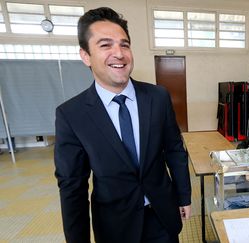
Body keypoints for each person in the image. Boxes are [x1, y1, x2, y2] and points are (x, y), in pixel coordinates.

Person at [54, 7, 191, 243]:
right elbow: (72, 188)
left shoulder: (157, 97)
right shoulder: (71, 114)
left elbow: (175, 150)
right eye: (105, 45)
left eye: (124, 44)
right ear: (85, 56)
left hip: (162, 217)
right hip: (114, 226)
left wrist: (183, 196)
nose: (119, 53)